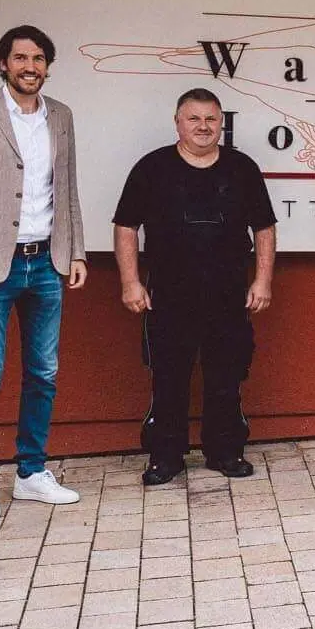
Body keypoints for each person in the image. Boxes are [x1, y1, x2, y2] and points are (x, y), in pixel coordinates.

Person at [0, 24, 85, 519]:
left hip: (46, 262)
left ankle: (30, 471)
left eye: (38, 59)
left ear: (48, 66)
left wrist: (76, 251)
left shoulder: (62, 116)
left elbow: (66, 187)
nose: (30, 67)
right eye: (20, 58)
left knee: (43, 373)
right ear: (2, 64)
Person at [112, 88, 274, 485]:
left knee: (226, 375)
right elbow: (126, 226)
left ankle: (225, 451)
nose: (203, 127)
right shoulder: (152, 168)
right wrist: (130, 282)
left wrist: (263, 279)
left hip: (228, 292)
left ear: (222, 123)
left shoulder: (242, 168)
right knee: (168, 376)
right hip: (168, 293)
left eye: (211, 119)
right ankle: (165, 456)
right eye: (194, 119)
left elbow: (265, 228)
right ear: (178, 123)